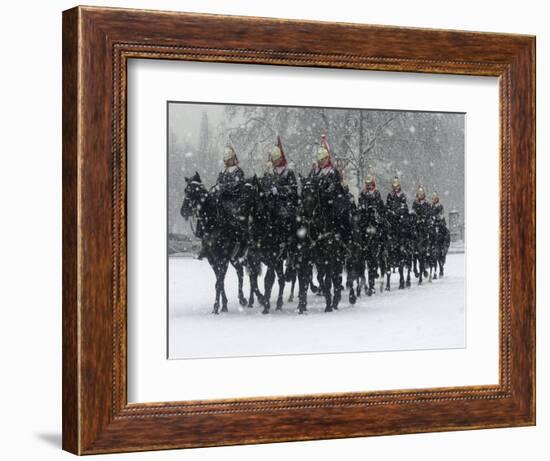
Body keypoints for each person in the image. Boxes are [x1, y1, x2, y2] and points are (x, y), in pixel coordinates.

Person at [212, 146, 248, 259]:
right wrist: (215, 189)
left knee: (234, 218)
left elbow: (236, 186)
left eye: (229, 159)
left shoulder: (238, 171)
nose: (227, 162)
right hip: (222, 200)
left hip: (234, 201)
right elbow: (218, 182)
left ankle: (238, 238)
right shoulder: (222, 171)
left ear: (233, 158)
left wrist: (222, 188)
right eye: (225, 160)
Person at [268, 136, 299, 248]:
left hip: (286, 203)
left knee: (288, 217)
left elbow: (292, 189)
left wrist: (279, 191)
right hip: (272, 203)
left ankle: (290, 241)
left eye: (277, 159)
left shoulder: (288, 172)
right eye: (274, 160)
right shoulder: (270, 172)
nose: (275, 162)